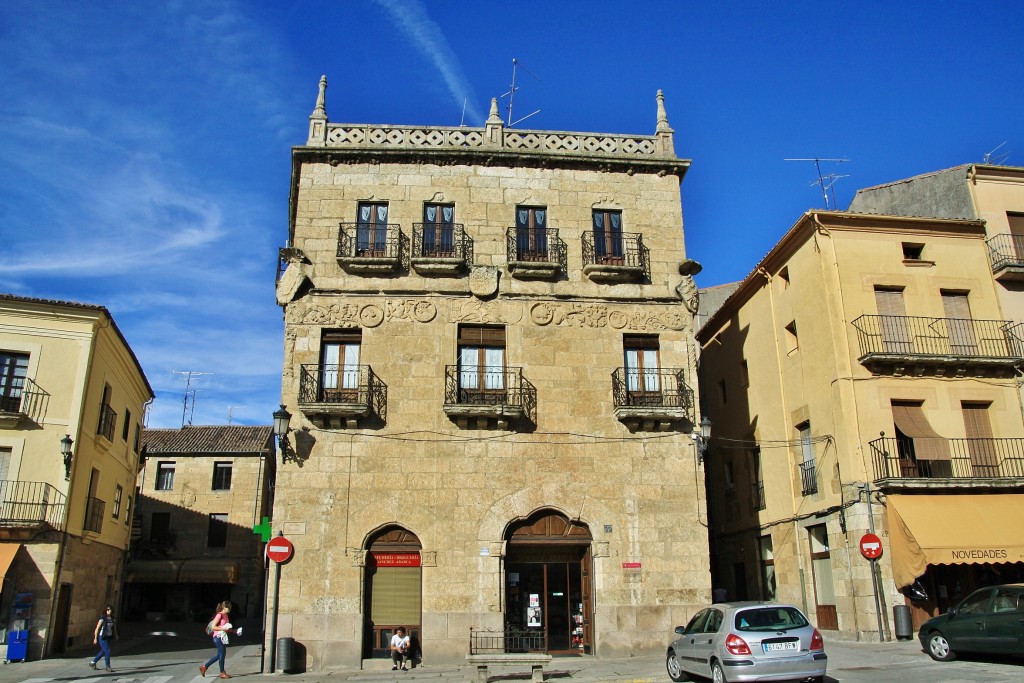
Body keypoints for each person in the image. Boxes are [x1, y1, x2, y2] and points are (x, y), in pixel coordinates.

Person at [200, 601, 238, 679]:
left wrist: (234, 631)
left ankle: (204, 667)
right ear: (224, 607)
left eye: (230, 607)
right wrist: (223, 628)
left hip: (222, 636)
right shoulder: (219, 615)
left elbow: (226, 627)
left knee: (219, 655)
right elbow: (213, 627)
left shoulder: (226, 615)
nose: (230, 609)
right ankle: (222, 672)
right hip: (217, 637)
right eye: (229, 608)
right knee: (222, 654)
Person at [89, 605, 118, 671]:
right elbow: (97, 628)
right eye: (108, 610)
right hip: (102, 637)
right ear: (105, 610)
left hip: (109, 637)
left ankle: (93, 662)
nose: (109, 611)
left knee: (103, 651)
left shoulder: (112, 618)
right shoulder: (103, 618)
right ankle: (108, 666)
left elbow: (114, 627)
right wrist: (95, 638)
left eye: (110, 610)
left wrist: (116, 634)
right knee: (107, 651)